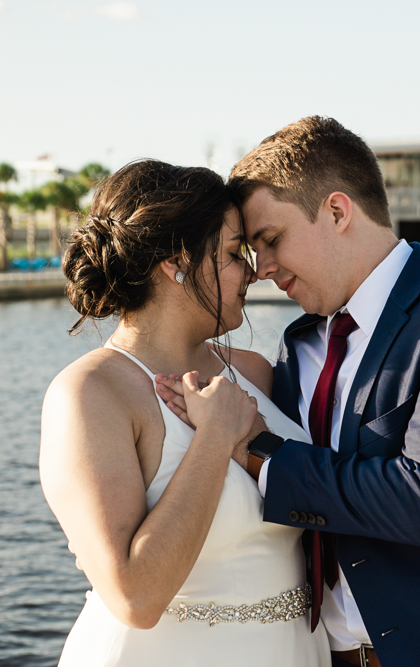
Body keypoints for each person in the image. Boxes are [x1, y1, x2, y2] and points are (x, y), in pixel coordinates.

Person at [156, 117, 420, 667]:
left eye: (271, 240)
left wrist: (258, 449)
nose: (262, 270)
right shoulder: (300, 343)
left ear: (337, 211)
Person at [39, 161, 331, 666]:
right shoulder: (90, 393)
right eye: (234, 253)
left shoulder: (257, 372)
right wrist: (217, 437)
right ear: (176, 263)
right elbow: (136, 597)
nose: (255, 271)